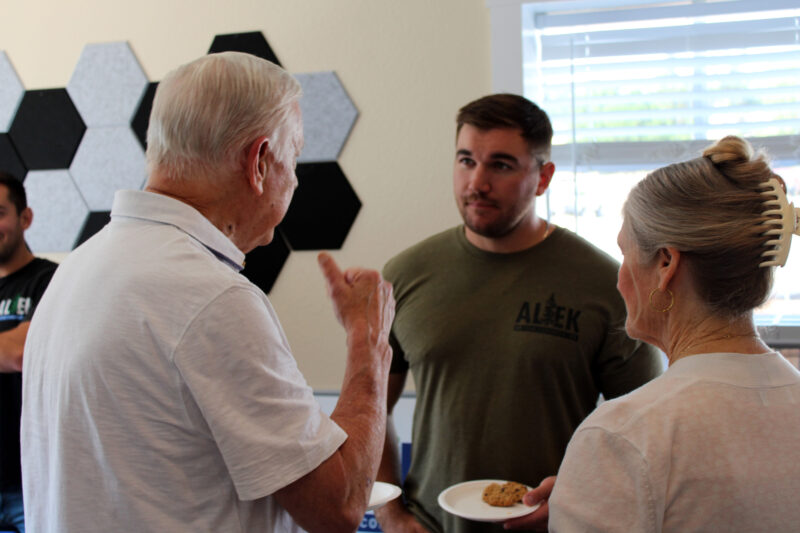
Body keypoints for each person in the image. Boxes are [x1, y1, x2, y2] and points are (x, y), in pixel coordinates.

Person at [20, 52, 395, 533]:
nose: (297, 179)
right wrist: (367, 341)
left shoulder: (77, 269)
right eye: (294, 157)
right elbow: (338, 507)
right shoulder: (211, 297)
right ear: (259, 162)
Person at [374, 94, 662, 533]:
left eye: (501, 165)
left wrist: (580, 504)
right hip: (429, 526)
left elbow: (647, 431)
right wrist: (390, 514)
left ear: (543, 177)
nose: (477, 183)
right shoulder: (405, 275)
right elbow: (372, 408)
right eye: (466, 161)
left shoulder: (605, 284)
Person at [547, 135, 800, 532]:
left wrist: (596, 487)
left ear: (665, 263)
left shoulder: (623, 436)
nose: (619, 281)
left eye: (625, 254)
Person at [0, 172, 57, 533]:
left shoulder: (51, 280)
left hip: (31, 480)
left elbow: (26, 352)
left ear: (26, 218)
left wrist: (18, 343)